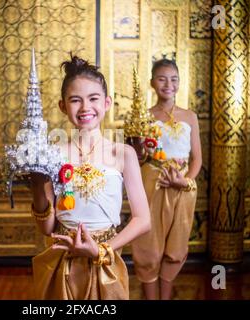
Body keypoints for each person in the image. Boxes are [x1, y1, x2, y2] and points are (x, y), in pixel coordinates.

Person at [30, 55, 151, 300]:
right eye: (75, 100)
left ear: (106, 103)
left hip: (105, 259)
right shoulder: (51, 155)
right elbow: (47, 228)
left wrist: (100, 249)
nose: (85, 108)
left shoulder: (123, 153)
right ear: (63, 106)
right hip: (62, 259)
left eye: (93, 99)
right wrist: (37, 189)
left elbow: (143, 219)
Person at [131, 59, 202, 300]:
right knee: (149, 246)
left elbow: (197, 160)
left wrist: (186, 182)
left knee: (176, 247)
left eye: (173, 79)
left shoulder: (190, 116)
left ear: (179, 83)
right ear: (152, 82)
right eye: (162, 79)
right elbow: (136, 158)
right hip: (153, 184)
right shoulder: (145, 117)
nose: (168, 84)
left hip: (182, 187)